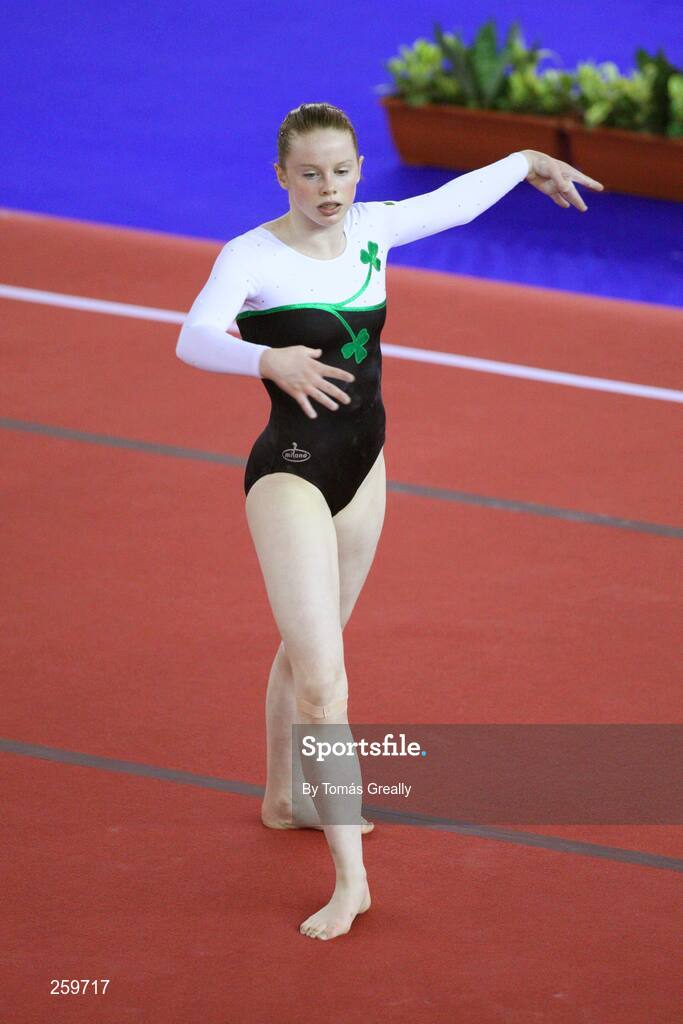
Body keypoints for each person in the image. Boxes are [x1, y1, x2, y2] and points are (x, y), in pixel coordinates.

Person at [175, 102, 604, 941]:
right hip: (291, 476)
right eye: (308, 173)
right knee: (326, 686)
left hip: (365, 470)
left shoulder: (373, 229)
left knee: (310, 647)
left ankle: (285, 798)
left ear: (359, 169)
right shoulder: (252, 256)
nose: (326, 188)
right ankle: (351, 882)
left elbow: (453, 204)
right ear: (281, 177)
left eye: (339, 170)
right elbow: (191, 337)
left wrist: (524, 159)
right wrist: (264, 356)